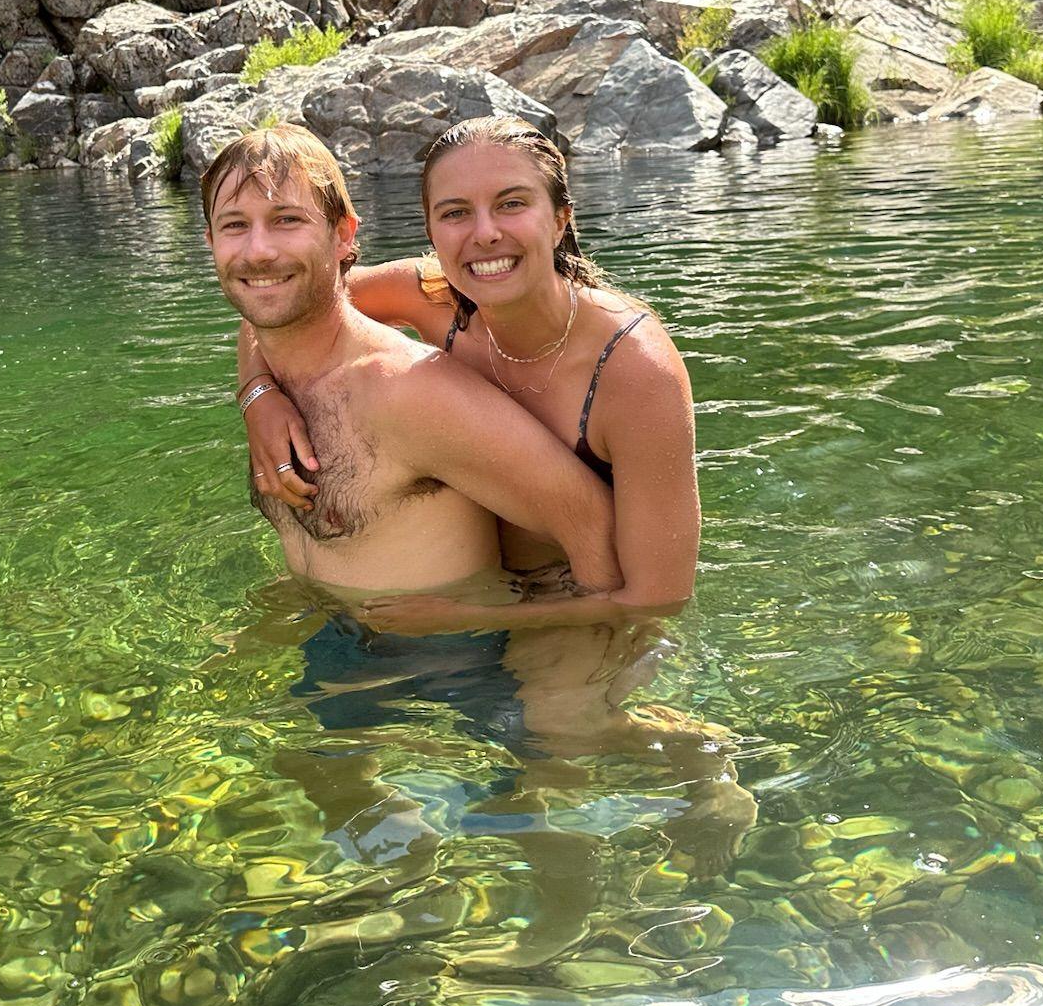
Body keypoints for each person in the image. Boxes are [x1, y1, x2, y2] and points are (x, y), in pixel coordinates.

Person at [242, 115, 700, 624]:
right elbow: (285, 298)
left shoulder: (633, 368)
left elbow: (655, 601)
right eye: (456, 213)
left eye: (511, 204)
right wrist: (258, 396)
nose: (485, 234)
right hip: (477, 587)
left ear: (560, 219)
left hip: (580, 599)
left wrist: (467, 617)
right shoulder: (431, 294)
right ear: (431, 230)